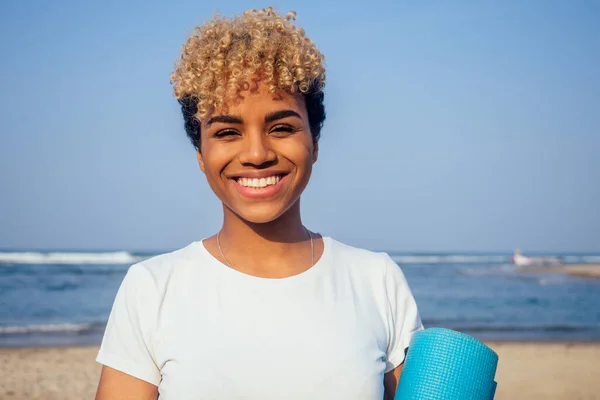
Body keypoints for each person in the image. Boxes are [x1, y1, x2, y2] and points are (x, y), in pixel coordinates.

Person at [95, 7, 423, 400]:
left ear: (314, 143)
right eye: (228, 131)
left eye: (281, 127)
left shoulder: (377, 281)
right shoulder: (151, 289)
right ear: (201, 154)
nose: (256, 153)